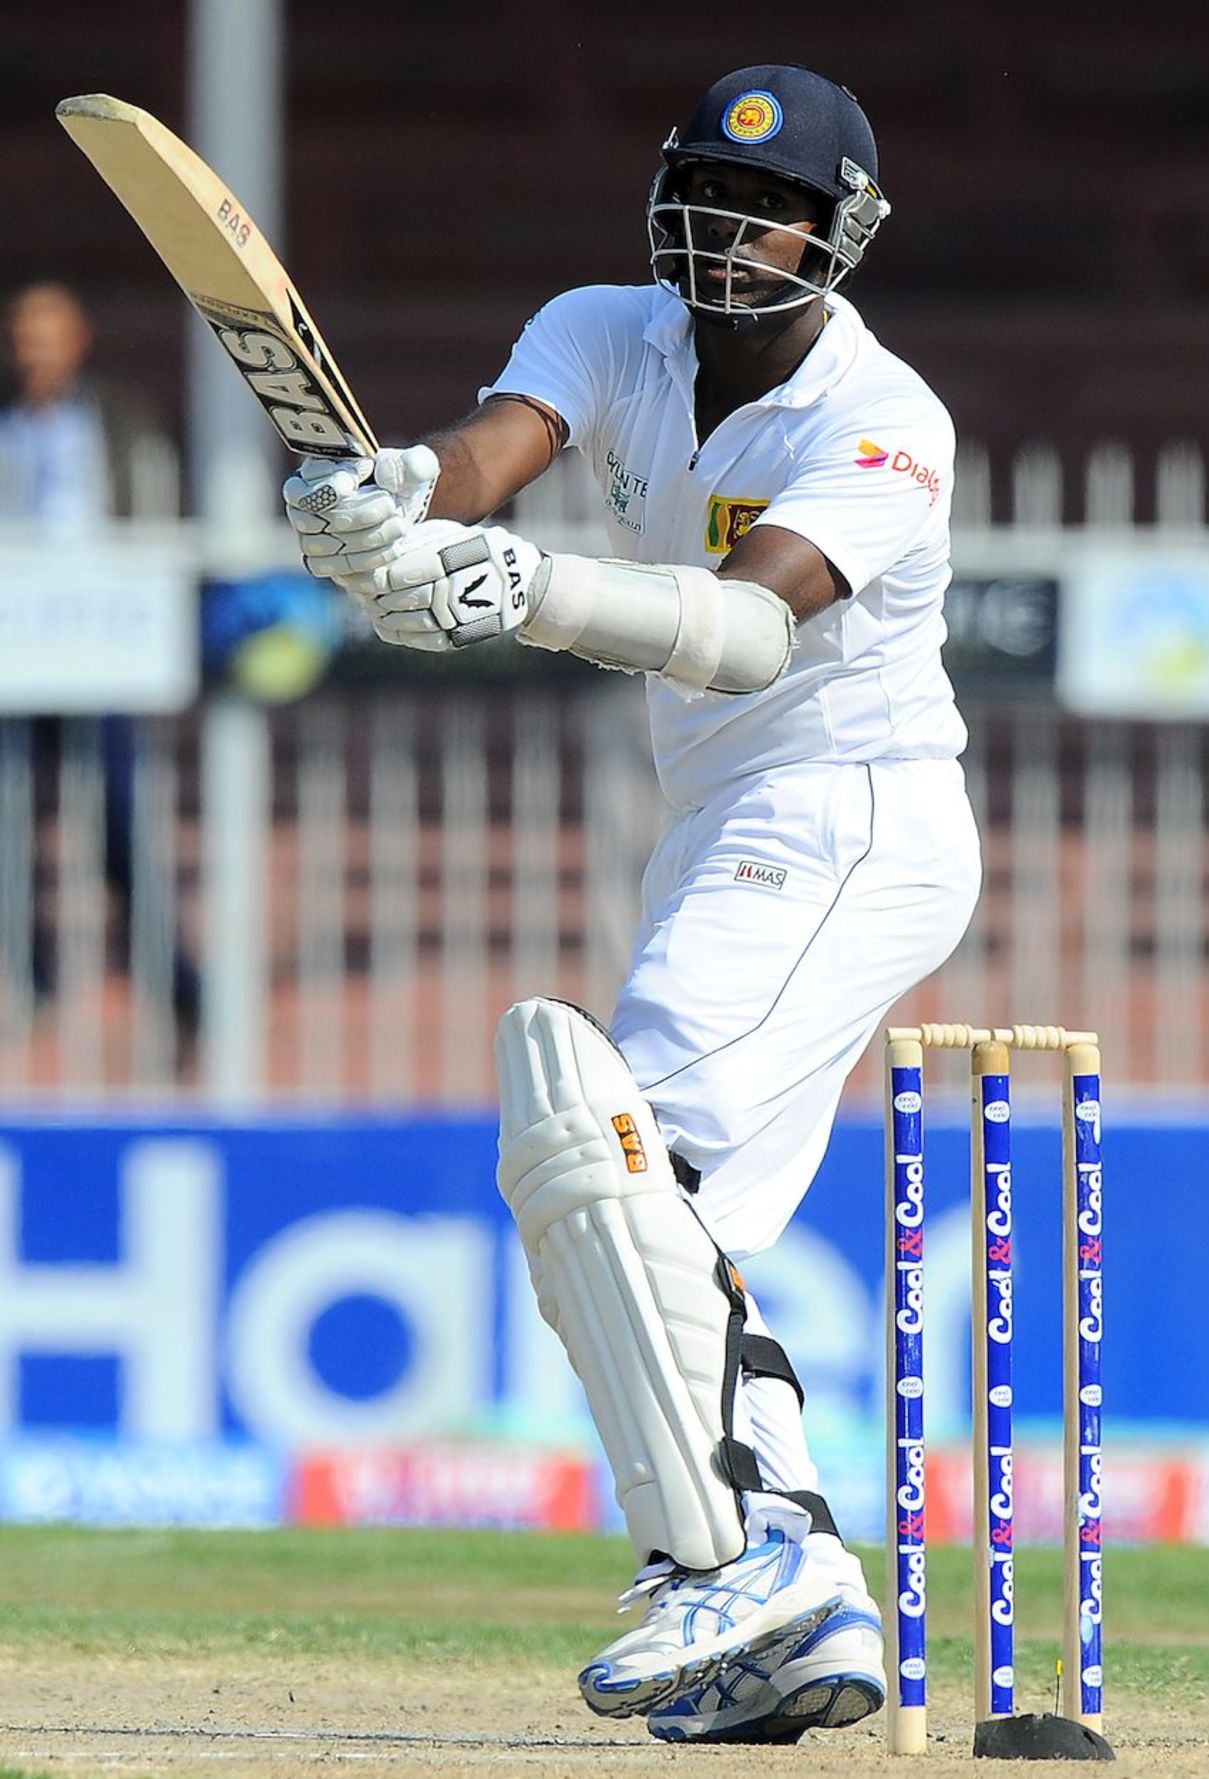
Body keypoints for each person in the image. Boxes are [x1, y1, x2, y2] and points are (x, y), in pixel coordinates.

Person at [284, 64, 981, 1745]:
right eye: (714, 196)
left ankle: (760, 1561)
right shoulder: (612, 327)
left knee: (610, 1138)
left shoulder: (883, 421)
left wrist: (525, 591)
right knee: (649, 1227)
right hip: (723, 821)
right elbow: (486, 461)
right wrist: (393, 499)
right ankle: (783, 1595)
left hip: (849, 815)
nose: (737, 230)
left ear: (838, 235)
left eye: (776, 210)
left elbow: (743, 631)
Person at [0, 281, 199, 1052]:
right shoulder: (10, 429)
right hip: (19, 657)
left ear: (78, 340)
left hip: (95, 650)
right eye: (24, 335)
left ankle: (173, 991)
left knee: (119, 828)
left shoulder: (118, 424)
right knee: (12, 825)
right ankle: (32, 981)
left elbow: (151, 513)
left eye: (48, 334)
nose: (35, 350)